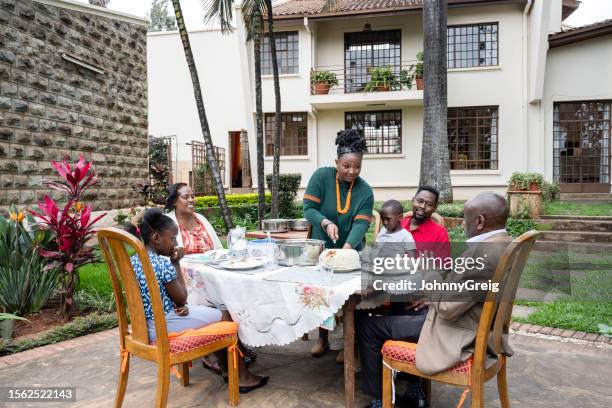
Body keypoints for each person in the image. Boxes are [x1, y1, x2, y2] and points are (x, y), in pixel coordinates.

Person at [357, 192, 513, 408]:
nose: (463, 224)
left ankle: (379, 401)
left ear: (480, 221)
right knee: (409, 309)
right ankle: (414, 392)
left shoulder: (482, 254)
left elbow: (449, 309)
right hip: (473, 325)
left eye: (465, 218)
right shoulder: (505, 243)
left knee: (367, 325)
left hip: (459, 334)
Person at [126, 208, 268, 393]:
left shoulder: (134, 260)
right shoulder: (162, 264)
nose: (175, 243)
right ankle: (241, 377)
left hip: (144, 327)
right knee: (225, 316)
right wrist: (175, 263)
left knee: (206, 310)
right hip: (163, 327)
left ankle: (226, 368)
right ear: (156, 238)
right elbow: (182, 298)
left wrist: (180, 306)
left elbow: (160, 297)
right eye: (173, 238)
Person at [303, 129, 374, 359]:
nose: (352, 171)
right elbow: (309, 209)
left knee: (352, 295)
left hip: (351, 251)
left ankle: (349, 342)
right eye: (346, 166)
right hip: (323, 248)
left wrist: (346, 250)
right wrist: (324, 223)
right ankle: (323, 338)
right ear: (337, 162)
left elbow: (361, 225)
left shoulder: (365, 191)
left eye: (357, 167)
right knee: (323, 292)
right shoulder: (321, 177)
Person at [165, 183, 223, 255]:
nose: (191, 200)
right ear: (174, 201)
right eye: (185, 197)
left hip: (210, 265)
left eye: (192, 197)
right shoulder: (165, 223)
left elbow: (219, 249)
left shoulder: (201, 219)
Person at [400, 186, 450, 260]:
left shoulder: (440, 234)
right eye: (420, 201)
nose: (423, 206)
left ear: (434, 208)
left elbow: (445, 267)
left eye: (429, 204)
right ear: (413, 201)